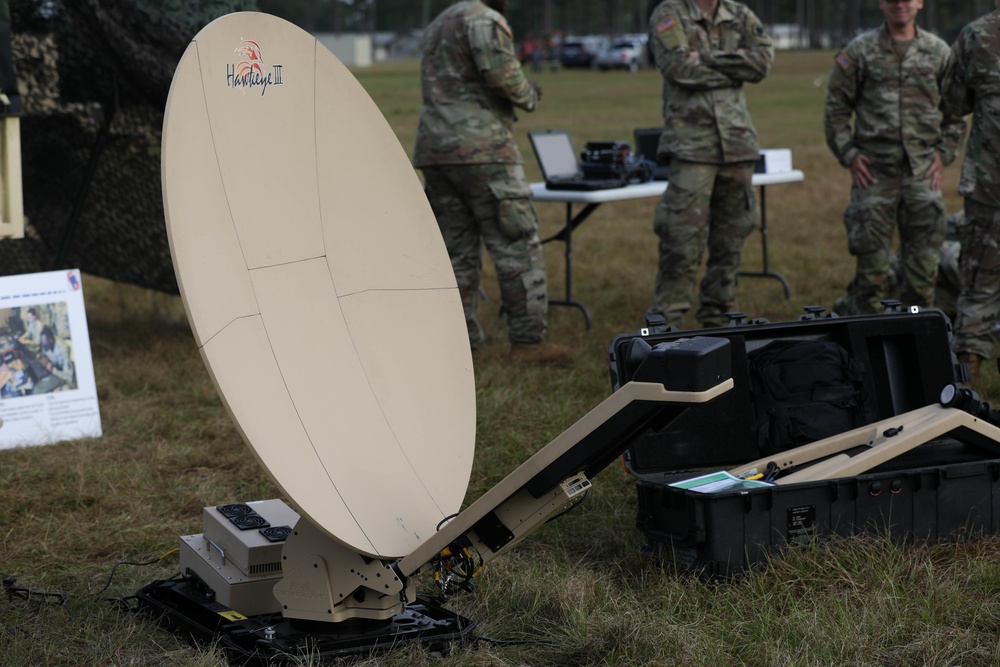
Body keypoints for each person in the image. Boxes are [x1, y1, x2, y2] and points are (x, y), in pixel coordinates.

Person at [414, 0, 570, 364]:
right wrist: (529, 94)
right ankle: (529, 343)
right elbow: (502, 75)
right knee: (516, 242)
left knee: (455, 252)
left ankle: (457, 341)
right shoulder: (485, 20)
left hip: (437, 150)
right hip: (483, 149)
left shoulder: (438, 24)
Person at [824, 0, 966, 317]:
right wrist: (849, 154)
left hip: (921, 176)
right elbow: (835, 111)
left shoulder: (939, 52)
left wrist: (943, 156)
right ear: (880, 3)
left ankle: (916, 346)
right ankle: (869, 352)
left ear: (919, 2)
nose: (899, 4)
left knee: (922, 273)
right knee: (872, 274)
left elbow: (955, 113)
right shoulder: (859, 51)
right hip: (874, 175)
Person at [645, 0, 773, 329]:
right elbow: (678, 68)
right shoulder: (669, 14)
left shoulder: (741, 15)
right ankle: (666, 325)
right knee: (681, 238)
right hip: (691, 146)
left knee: (732, 236)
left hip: (737, 143)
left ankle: (718, 319)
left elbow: (762, 63)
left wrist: (704, 58)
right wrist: (733, 67)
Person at [942, 1, 1000, 378]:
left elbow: (952, 102)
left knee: (979, 280)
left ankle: (969, 383)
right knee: (979, 278)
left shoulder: (976, 35)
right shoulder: (975, 34)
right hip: (987, 187)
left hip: (986, 184)